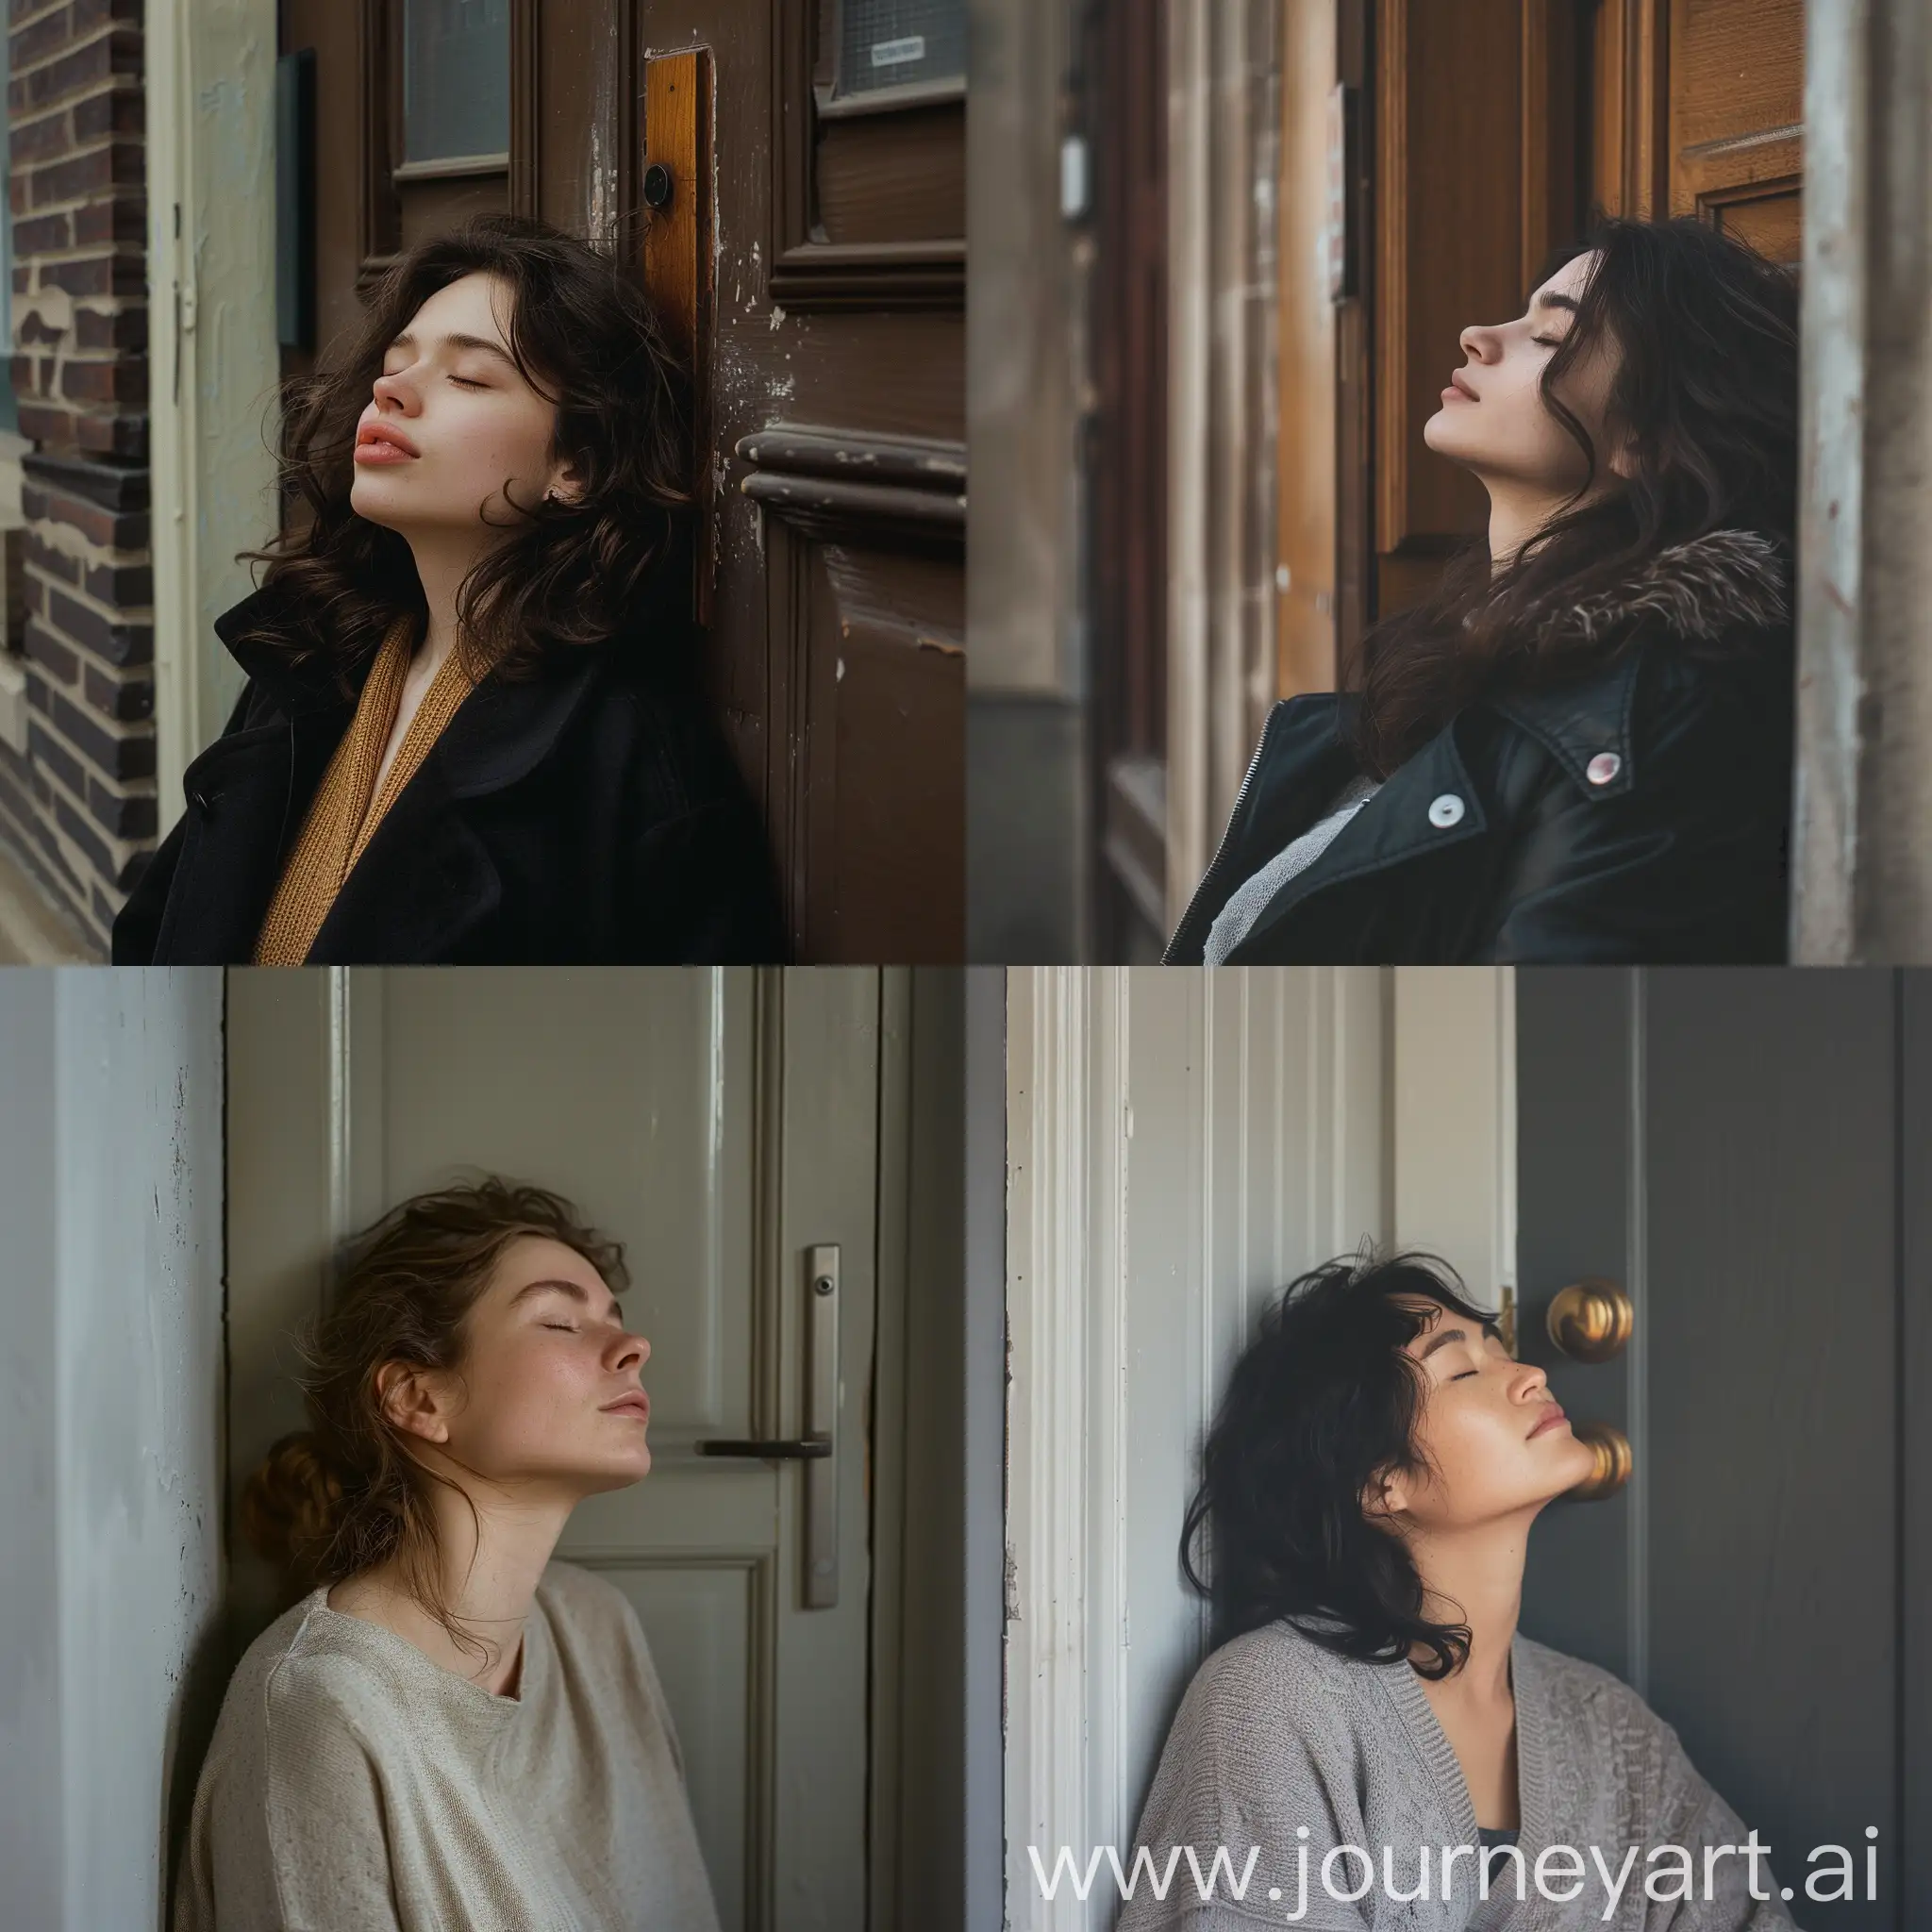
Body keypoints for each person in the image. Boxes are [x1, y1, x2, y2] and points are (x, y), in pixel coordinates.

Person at [113, 216, 781, 964]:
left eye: (468, 376)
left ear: (577, 466)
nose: (390, 390)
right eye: (396, 362)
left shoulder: (633, 766)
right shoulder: (307, 664)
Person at [1167, 215, 1798, 965]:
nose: (1476, 334)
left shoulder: (1648, 723)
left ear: (1652, 440)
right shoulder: (1463, 667)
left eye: (1550, 338)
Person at [1119, 1256, 1798, 1931]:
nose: (1531, 1375)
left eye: (1501, 1348)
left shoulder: (1611, 1730)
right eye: (1464, 1369)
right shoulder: (1272, 1702)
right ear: (1380, 1481)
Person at [173, 1180, 722, 1932]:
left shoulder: (596, 1627)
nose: (635, 1348)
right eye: (561, 1320)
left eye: (615, 1321)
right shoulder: (320, 1715)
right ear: (417, 1398)